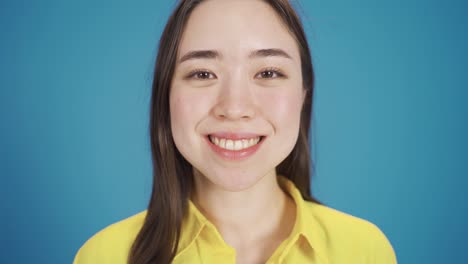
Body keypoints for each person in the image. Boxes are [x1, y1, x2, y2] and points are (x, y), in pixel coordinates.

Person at [73, 0, 397, 263]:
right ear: (165, 96)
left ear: (303, 94)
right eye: (202, 73)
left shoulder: (366, 251)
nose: (234, 106)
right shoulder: (104, 256)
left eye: (268, 72)